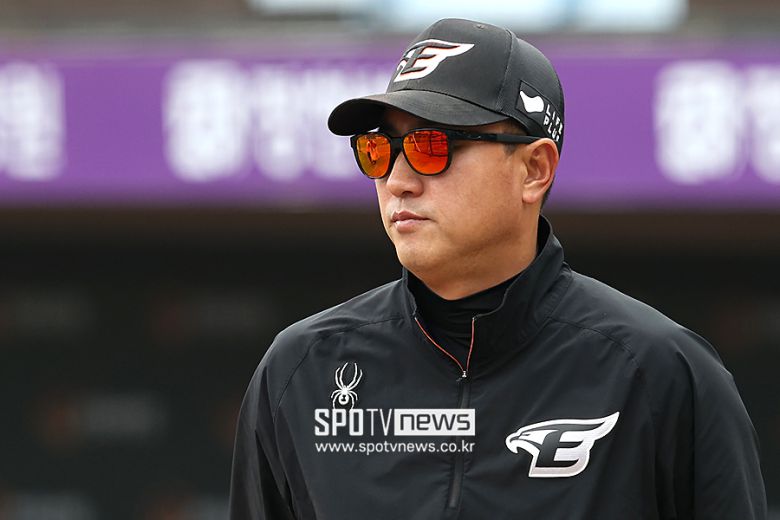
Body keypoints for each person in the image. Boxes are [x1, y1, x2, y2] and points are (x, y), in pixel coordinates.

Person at [229, 18, 767, 519]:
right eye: (379, 150)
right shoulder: (302, 369)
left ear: (534, 169)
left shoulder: (660, 373)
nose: (398, 181)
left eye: (431, 146)